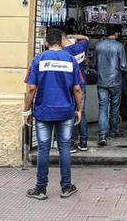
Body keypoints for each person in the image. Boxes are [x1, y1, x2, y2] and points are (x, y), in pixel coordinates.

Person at [24, 28, 82, 200]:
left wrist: (27, 110)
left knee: (43, 149)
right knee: (64, 148)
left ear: (46, 43)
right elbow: (77, 89)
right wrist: (79, 109)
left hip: (43, 111)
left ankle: (41, 189)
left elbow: (31, 88)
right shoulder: (71, 60)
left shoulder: (38, 59)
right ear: (62, 42)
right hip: (66, 111)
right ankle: (66, 187)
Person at [93, 25, 126, 146]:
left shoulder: (98, 45)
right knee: (115, 108)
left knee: (103, 108)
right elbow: (123, 65)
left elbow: (95, 64)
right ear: (116, 33)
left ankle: (102, 135)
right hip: (115, 80)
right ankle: (114, 131)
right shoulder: (119, 46)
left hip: (102, 80)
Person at [63, 34, 90, 152]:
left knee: (70, 113)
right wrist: (73, 35)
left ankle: (71, 143)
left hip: (69, 84)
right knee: (81, 112)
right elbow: (86, 38)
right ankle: (83, 142)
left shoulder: (63, 52)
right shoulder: (81, 46)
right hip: (81, 83)